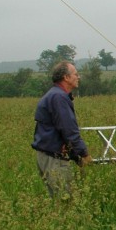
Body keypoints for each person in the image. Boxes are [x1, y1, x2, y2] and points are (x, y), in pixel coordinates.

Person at [32, 61, 92, 199]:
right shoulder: (59, 97)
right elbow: (68, 130)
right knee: (66, 202)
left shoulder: (55, 95)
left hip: (48, 156)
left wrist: (75, 158)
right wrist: (84, 154)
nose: (79, 77)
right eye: (76, 74)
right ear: (66, 77)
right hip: (54, 159)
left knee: (60, 200)